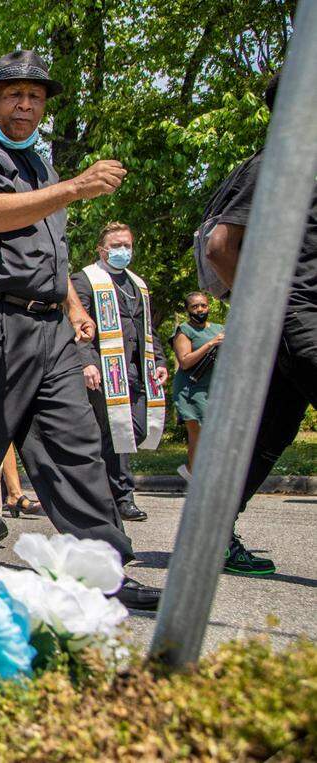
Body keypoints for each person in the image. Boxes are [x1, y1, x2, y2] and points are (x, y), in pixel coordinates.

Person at [0, 50, 160, 609]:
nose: (26, 104)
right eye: (14, 94)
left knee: (77, 451)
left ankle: (103, 570)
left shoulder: (43, 166)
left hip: (50, 327)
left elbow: (48, 252)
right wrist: (76, 187)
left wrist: (73, 305)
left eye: (36, 96)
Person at [202, 72, 314, 576]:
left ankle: (210, 533)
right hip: (293, 316)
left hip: (292, 316)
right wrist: (263, 306)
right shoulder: (277, 164)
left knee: (269, 433)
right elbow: (221, 247)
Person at [72, 222, 169, 523]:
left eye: (126, 245)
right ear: (102, 249)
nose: (122, 251)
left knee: (134, 428)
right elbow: (77, 325)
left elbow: (147, 326)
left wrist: (161, 360)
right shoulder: (87, 279)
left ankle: (98, 486)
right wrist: (87, 360)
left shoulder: (137, 284)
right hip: (104, 369)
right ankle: (122, 497)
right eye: (116, 246)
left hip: (137, 369)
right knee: (117, 431)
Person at [170, 292, 224, 480]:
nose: (200, 309)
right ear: (187, 310)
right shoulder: (184, 330)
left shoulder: (219, 329)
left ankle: (198, 472)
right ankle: (195, 474)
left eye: (203, 305)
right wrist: (210, 344)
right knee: (198, 434)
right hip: (191, 389)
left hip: (213, 388)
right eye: (195, 306)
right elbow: (185, 361)